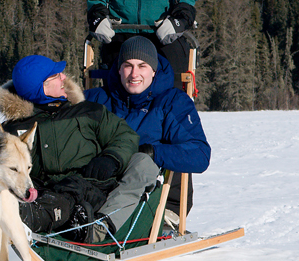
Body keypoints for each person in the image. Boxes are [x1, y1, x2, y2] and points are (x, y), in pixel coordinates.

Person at [0, 54, 161, 239]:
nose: (64, 78)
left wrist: (111, 159)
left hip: (94, 185)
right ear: (41, 88)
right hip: (45, 192)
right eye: (57, 76)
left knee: (143, 162)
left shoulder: (89, 111)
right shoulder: (13, 130)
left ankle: (100, 228)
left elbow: (125, 136)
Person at [84, 34, 210, 177]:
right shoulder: (95, 98)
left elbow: (199, 155)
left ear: (154, 71)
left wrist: (151, 152)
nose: (134, 74)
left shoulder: (172, 102)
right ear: (119, 69)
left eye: (142, 66)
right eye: (128, 66)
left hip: (137, 181)